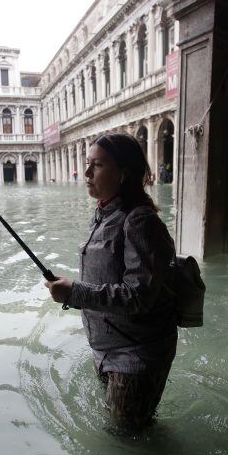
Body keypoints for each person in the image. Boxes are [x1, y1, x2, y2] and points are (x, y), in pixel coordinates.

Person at [45, 133, 177, 430]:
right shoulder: (103, 213)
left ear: (124, 173)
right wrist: (73, 292)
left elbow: (139, 296)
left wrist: (75, 293)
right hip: (106, 348)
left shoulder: (140, 221)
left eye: (98, 165)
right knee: (123, 428)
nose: (87, 173)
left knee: (128, 437)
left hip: (136, 354)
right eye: (87, 164)